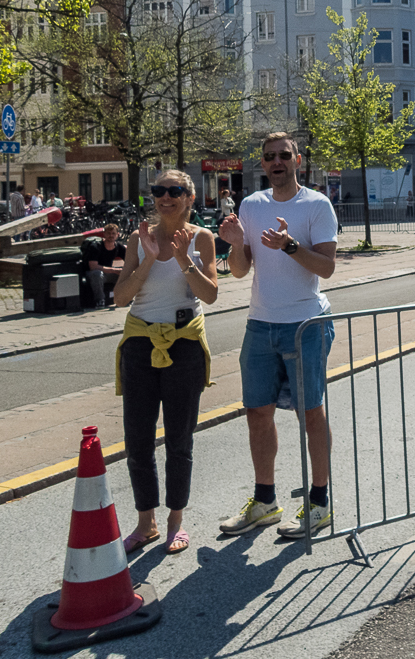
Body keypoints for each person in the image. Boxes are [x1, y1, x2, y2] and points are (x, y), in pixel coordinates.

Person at [218, 133, 338, 539]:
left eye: (284, 155)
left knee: (311, 413)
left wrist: (290, 246)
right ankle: (265, 501)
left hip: (305, 324)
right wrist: (236, 244)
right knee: (257, 413)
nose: (276, 162)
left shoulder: (316, 205)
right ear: (263, 163)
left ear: (297, 159)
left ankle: (319, 503)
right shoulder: (252, 206)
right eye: (269, 157)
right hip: (260, 324)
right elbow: (239, 270)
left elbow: (326, 268)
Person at [112, 169, 218, 556]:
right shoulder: (138, 240)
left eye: (175, 191)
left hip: (184, 343)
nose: (165, 197)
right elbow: (120, 297)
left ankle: (175, 520)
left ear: (190, 197)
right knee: (138, 440)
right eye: (159, 191)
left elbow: (210, 295)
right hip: (141, 342)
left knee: (179, 438)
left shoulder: (201, 238)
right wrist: (149, 259)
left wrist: (182, 260)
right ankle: (146, 522)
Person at [86, 223, 127, 308]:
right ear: (104, 234)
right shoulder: (96, 246)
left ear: (117, 235)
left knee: (126, 273)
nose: (111, 236)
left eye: (113, 234)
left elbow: (130, 262)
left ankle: (123, 299)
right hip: (93, 274)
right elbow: (93, 267)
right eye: (108, 233)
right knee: (97, 274)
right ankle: (100, 300)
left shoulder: (119, 247)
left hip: (108, 273)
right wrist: (115, 270)